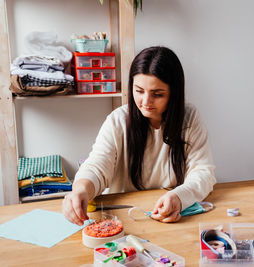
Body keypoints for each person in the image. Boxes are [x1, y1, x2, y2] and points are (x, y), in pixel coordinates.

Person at [62, 46, 216, 225]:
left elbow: (203, 172)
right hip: (126, 219)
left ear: (174, 94)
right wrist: (81, 190)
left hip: (172, 218)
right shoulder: (117, 121)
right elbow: (97, 166)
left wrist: (179, 197)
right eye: (139, 91)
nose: (146, 102)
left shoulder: (189, 118)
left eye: (157, 94)